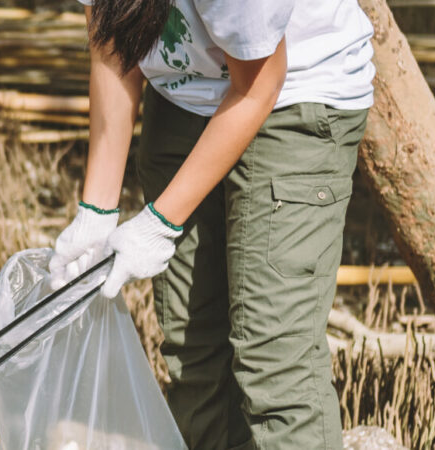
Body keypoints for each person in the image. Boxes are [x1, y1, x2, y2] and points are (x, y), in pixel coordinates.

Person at [48, 0, 374, 448]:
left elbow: (259, 86)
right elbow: (112, 39)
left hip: (293, 94)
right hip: (181, 95)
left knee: (272, 361)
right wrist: (97, 210)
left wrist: (160, 222)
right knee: (192, 347)